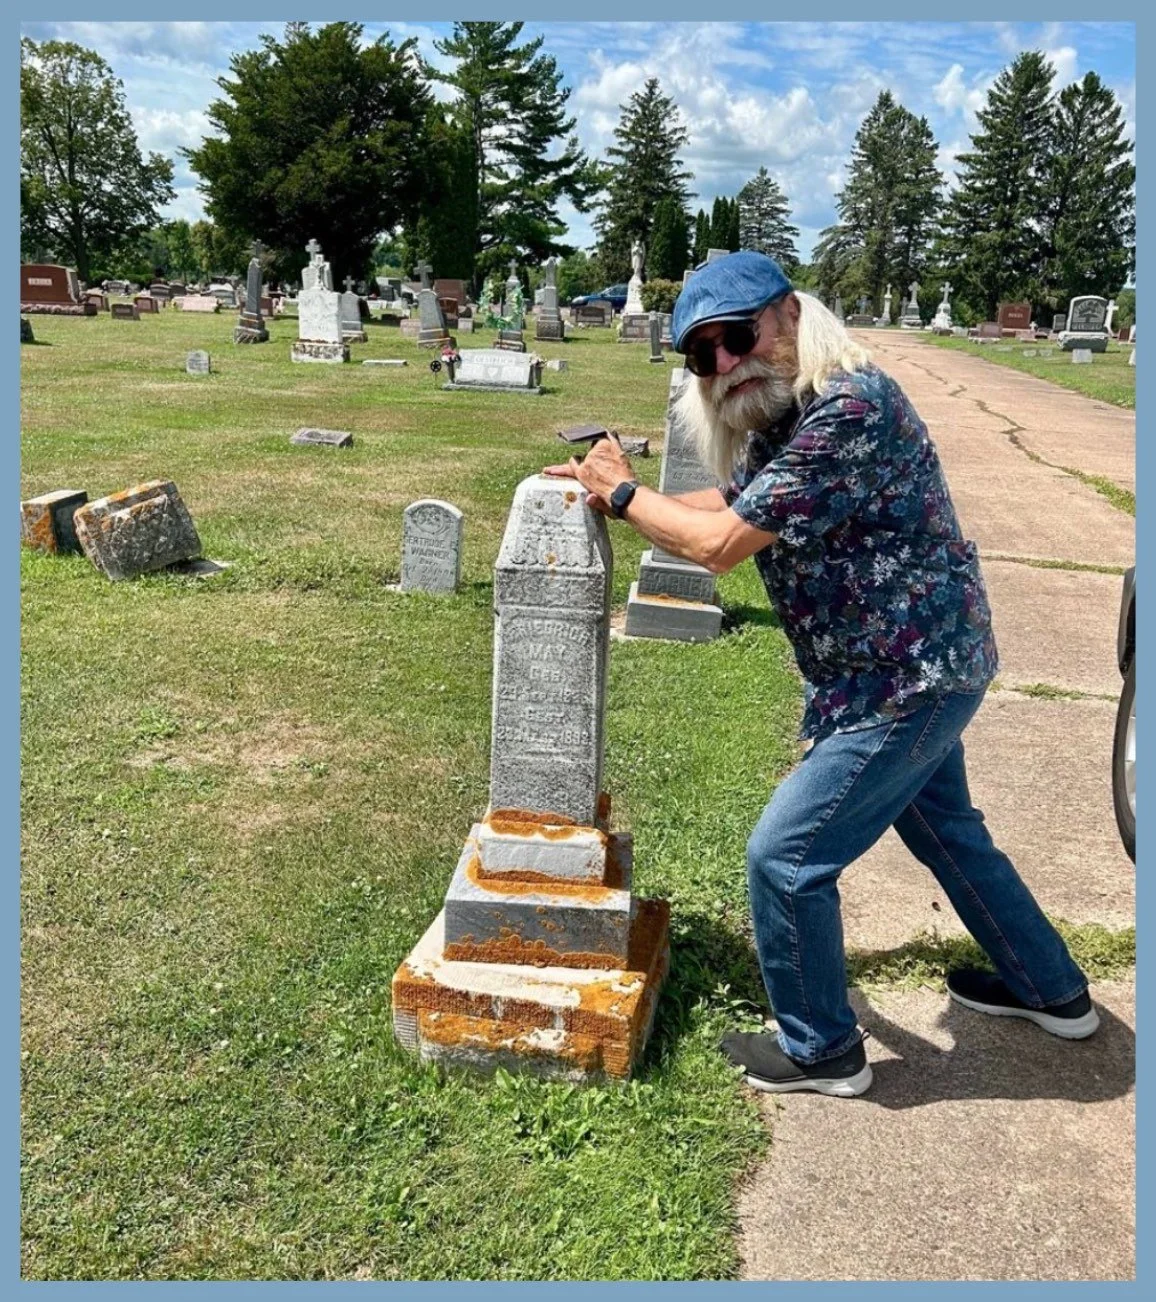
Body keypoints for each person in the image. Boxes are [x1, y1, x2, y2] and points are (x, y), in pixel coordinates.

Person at [544, 251, 1099, 1099]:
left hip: (905, 680)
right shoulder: (793, 415)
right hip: (903, 670)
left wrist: (625, 496)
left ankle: (822, 1050)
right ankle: (1052, 990)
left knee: (787, 857)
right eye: (702, 354)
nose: (724, 363)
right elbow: (733, 504)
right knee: (948, 833)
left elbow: (719, 547)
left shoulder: (850, 407)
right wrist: (611, 492)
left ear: (791, 317)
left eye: (736, 336)